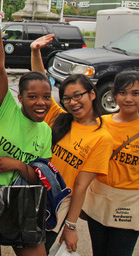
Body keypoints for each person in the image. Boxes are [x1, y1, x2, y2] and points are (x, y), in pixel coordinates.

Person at [0, 0, 52, 256]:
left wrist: (17, 165)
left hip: (23, 201)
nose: (41, 103)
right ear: (20, 98)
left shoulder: (46, 131)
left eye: (46, 96)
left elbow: (42, 177)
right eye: (33, 97)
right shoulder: (6, 109)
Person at [30, 34, 114, 254]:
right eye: (67, 98)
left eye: (78, 96)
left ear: (93, 94)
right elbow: (41, 81)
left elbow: (80, 186)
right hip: (34, 195)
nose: (73, 103)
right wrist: (35, 51)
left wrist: (71, 226)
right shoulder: (60, 119)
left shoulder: (101, 137)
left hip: (58, 205)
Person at [81, 71, 139, 256]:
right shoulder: (100, 123)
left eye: (135, 93)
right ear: (114, 95)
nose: (128, 98)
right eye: (123, 93)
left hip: (128, 205)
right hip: (99, 200)